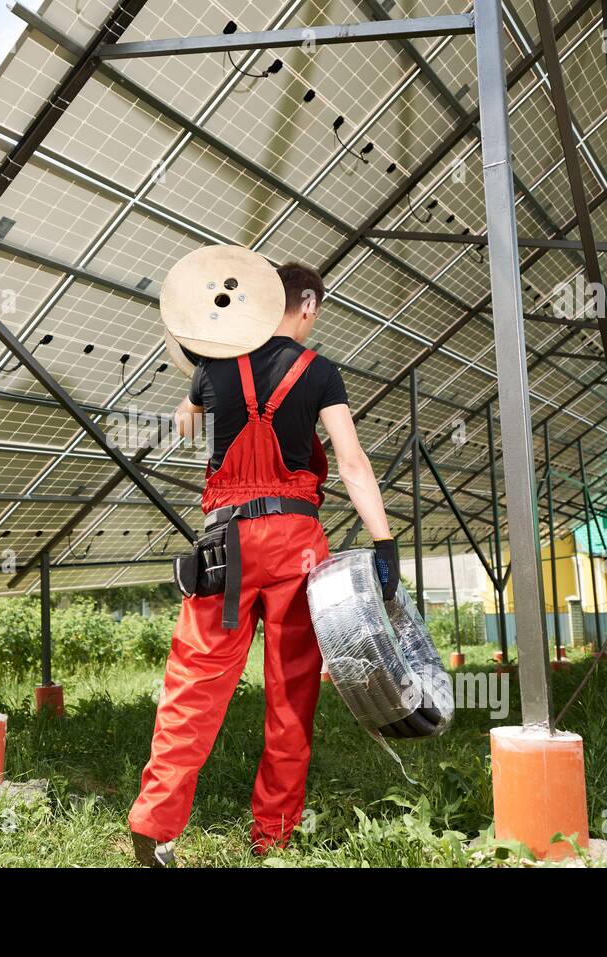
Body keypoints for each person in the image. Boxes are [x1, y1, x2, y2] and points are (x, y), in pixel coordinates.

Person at [129, 262, 398, 867]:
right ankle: (272, 836)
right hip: (297, 543)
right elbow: (351, 463)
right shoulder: (320, 371)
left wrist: (198, 368)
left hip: (224, 543)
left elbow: (184, 427)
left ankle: (155, 823)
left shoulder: (212, 368)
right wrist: (384, 545)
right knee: (290, 692)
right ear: (305, 304)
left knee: (194, 684)